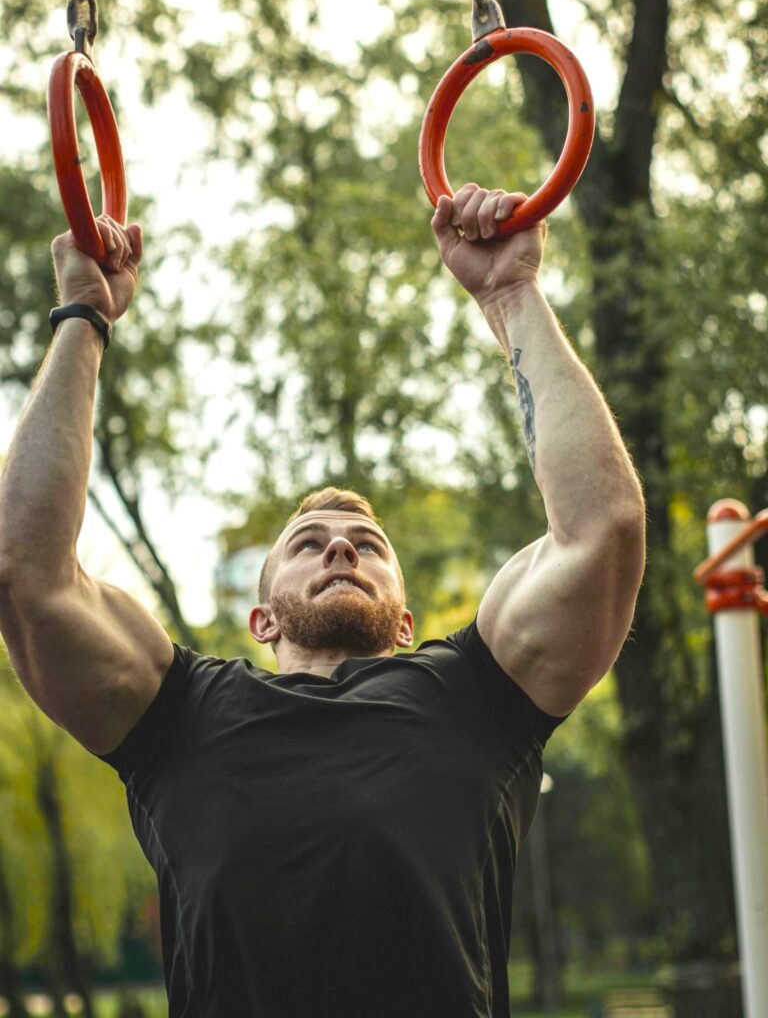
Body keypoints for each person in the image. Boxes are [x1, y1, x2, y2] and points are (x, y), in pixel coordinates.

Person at [0, 185, 645, 1017]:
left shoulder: (475, 699)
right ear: (261, 619)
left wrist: (513, 294)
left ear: (406, 621)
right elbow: (27, 571)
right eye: (308, 544)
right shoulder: (179, 717)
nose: (341, 546)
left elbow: (606, 530)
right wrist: (83, 318)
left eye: (368, 545)